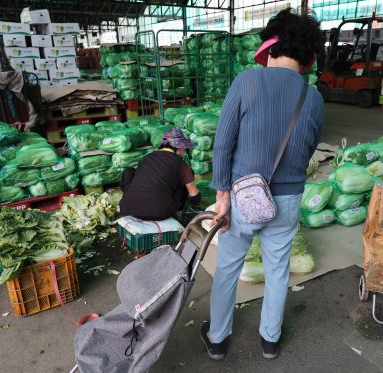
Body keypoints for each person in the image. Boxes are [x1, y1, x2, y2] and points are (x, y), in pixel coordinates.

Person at [201, 9, 325, 361]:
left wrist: (222, 197)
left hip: (243, 196)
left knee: (227, 268)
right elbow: (309, 147)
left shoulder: (248, 81)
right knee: (277, 268)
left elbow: (223, 144)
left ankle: (218, 339)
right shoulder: (313, 96)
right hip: (288, 200)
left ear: (270, 47)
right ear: (307, 59)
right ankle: (270, 340)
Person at [119, 128, 201, 221]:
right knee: (184, 179)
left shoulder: (146, 158)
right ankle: (177, 214)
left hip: (128, 209)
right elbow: (195, 197)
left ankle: (132, 199)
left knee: (129, 171)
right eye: (184, 149)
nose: (184, 152)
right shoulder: (181, 164)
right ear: (178, 148)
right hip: (161, 212)